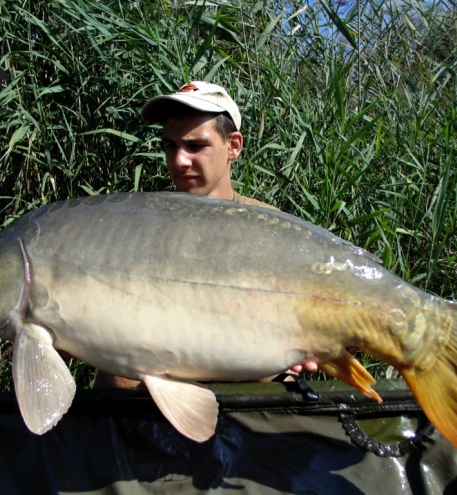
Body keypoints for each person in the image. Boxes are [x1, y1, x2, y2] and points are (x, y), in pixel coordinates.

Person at [95, 82, 318, 388]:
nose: (179, 161)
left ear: (233, 146)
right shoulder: (136, 226)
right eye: (170, 146)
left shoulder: (270, 231)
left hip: (240, 405)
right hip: (137, 407)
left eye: (196, 146)